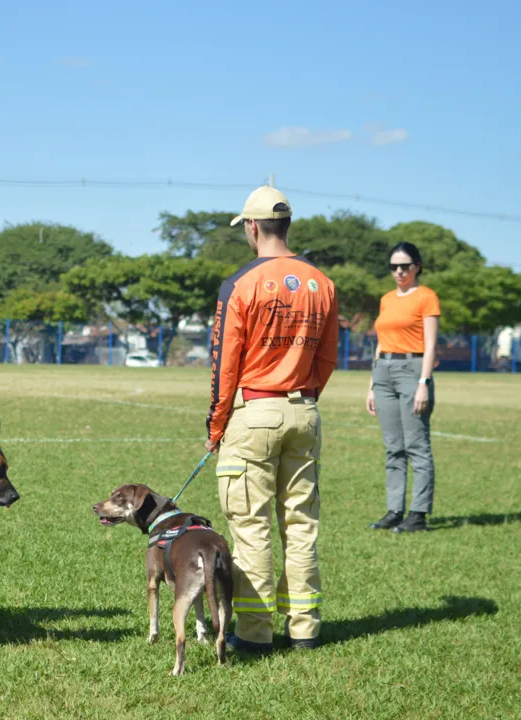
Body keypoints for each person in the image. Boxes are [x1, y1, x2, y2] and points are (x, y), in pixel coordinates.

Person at [206, 185, 339, 653]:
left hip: (253, 413)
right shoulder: (321, 283)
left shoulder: (240, 283)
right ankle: (305, 629)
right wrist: (303, 399)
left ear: (253, 226)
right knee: (302, 525)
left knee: (252, 527)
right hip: (305, 411)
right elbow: (327, 359)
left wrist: (216, 426)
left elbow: (224, 364)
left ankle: (256, 633)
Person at [366, 242, 440, 534]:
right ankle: (395, 510)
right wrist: (372, 385)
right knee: (393, 447)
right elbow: (381, 343)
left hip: (413, 370)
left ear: (417, 267)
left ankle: (418, 515)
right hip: (383, 370)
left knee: (416, 446)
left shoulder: (426, 297)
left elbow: (431, 344)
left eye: (405, 266)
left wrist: (424, 382)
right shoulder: (386, 299)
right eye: (394, 267)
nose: (399, 272)